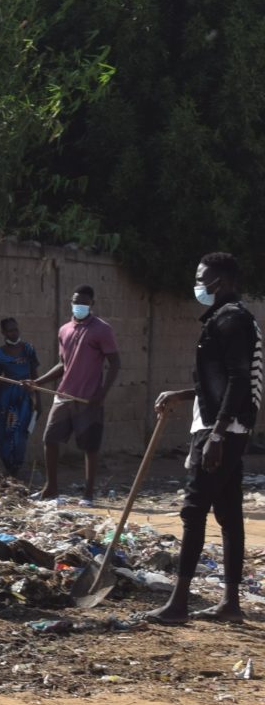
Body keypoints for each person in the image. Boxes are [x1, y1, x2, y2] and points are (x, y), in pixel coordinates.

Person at [148, 253, 258, 624]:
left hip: (220, 430)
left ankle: (178, 604)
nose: (197, 285)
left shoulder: (231, 320)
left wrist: (218, 432)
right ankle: (230, 604)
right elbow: (219, 383)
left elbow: (240, 380)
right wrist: (181, 395)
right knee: (227, 513)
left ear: (221, 282)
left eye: (202, 279)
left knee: (193, 510)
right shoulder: (226, 318)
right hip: (224, 427)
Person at [30, 286, 120, 503]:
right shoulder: (64, 330)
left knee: (89, 446)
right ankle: (51, 488)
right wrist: (37, 382)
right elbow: (63, 364)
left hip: (88, 398)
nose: (78, 305)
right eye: (75, 301)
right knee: (50, 439)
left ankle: (88, 494)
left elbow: (115, 363)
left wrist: (102, 393)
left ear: (91, 304)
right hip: (63, 396)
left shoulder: (101, 329)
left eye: (84, 302)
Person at [0, 318, 39, 480]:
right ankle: (8, 468)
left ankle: (16, 468)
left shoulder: (28, 349)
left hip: (24, 397)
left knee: (20, 433)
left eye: (16, 329)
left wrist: (38, 400)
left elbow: (34, 375)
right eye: (10, 330)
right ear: (3, 333)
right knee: (3, 432)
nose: (14, 333)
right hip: (6, 397)